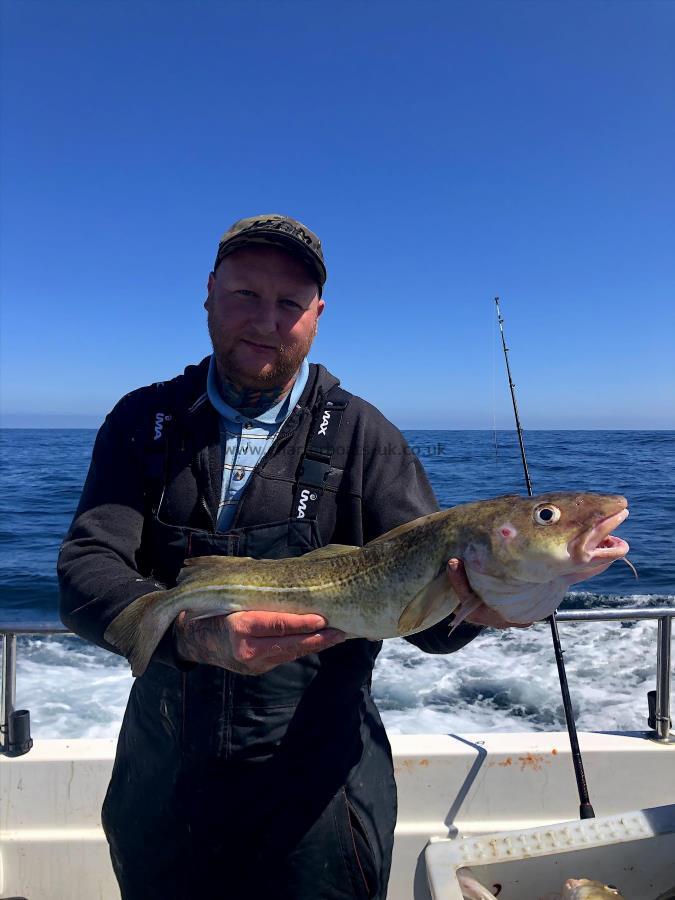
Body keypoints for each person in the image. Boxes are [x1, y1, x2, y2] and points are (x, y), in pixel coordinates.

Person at [58, 214, 520, 900]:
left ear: (317, 315)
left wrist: (481, 603)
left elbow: (426, 615)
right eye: (245, 295)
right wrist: (185, 634)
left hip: (317, 794)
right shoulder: (142, 421)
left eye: (289, 304)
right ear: (210, 293)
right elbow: (85, 565)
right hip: (163, 783)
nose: (266, 321)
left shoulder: (367, 436)